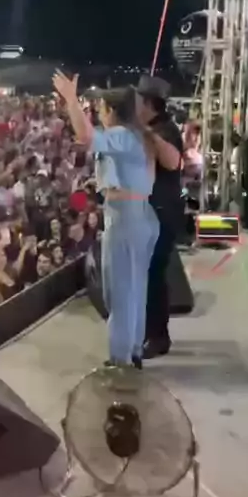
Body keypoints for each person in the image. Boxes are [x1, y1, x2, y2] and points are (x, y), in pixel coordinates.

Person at [53, 71, 158, 368]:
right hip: (139, 215)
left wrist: (71, 99)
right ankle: (133, 350)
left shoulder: (122, 135)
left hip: (126, 219)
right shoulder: (135, 136)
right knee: (135, 289)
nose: (98, 113)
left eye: (100, 108)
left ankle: (121, 360)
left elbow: (86, 136)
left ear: (111, 110)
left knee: (121, 292)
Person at [136, 75, 183, 357]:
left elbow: (172, 161)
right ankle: (149, 331)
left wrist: (147, 134)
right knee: (147, 273)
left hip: (162, 212)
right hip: (148, 211)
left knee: (154, 273)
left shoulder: (166, 130)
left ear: (149, 103)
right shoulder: (151, 129)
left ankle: (158, 336)